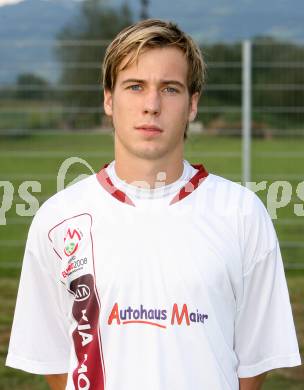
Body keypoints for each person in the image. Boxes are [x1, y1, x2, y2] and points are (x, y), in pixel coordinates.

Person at [6, 19, 301, 390]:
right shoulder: (58, 219)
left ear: (192, 105)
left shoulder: (243, 214)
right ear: (108, 99)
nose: (152, 105)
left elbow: (255, 361)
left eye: (170, 89)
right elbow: (53, 358)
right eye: (135, 86)